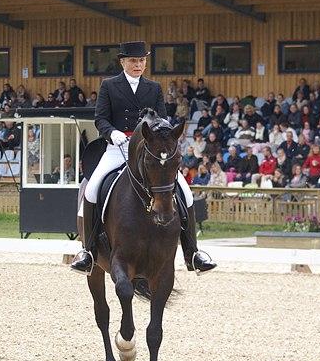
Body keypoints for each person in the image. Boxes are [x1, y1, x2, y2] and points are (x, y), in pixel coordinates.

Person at [73, 41, 215, 275]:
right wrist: (112, 132)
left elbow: (162, 120)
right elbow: (100, 119)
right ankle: (88, 252)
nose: (138, 65)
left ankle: (193, 253)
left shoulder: (153, 87)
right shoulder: (109, 85)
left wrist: (159, 136)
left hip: (148, 149)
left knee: (185, 191)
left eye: (141, 61)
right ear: (123, 62)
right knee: (91, 188)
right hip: (116, 148)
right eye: (133, 61)